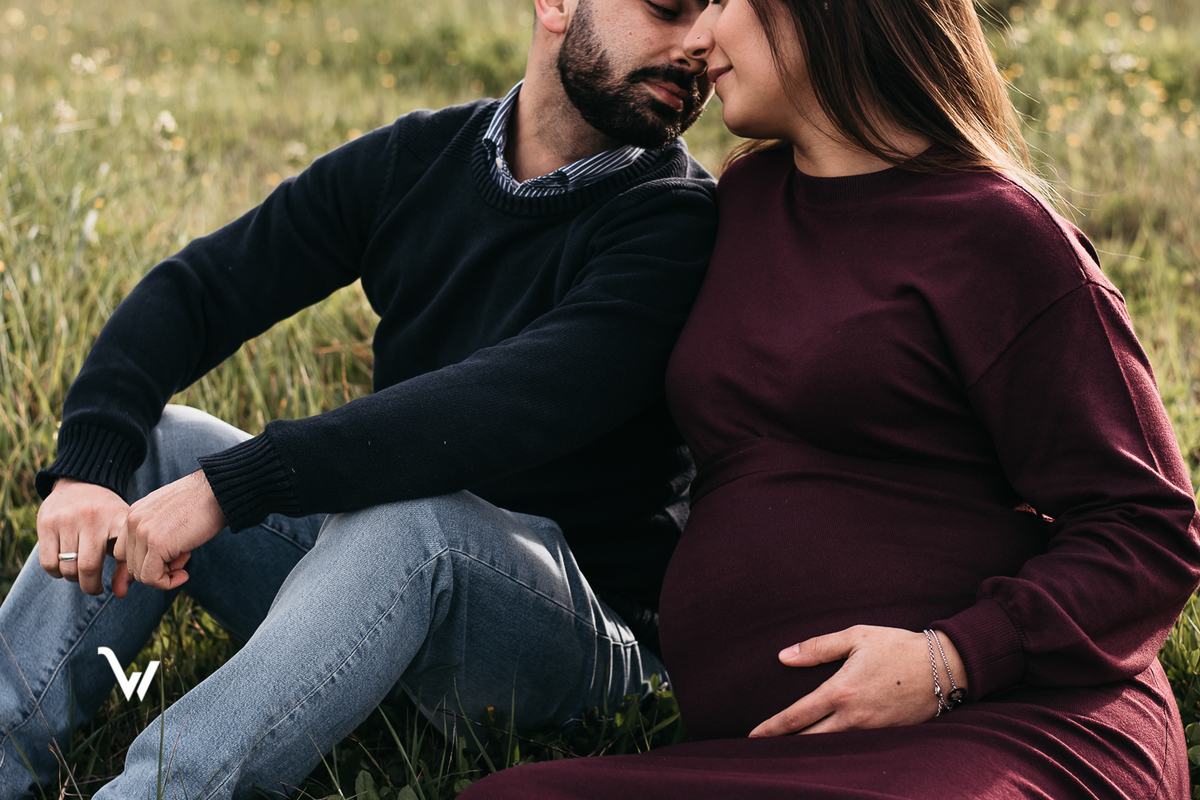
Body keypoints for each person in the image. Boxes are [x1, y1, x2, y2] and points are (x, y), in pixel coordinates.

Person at [458, 0, 1200, 796]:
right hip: (765, 755)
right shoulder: (741, 203)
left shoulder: (996, 232)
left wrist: (950, 660)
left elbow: (1150, 528)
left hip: (1002, 725)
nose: (699, 38)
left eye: (725, 2)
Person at [0, 0, 718, 795]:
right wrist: (87, 470)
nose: (697, 46)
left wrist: (235, 485)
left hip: (580, 639)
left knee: (416, 521)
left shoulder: (674, 219)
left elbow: (500, 406)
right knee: (160, 443)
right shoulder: (422, 157)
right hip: (374, 587)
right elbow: (201, 289)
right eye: (668, 8)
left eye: (712, 17)